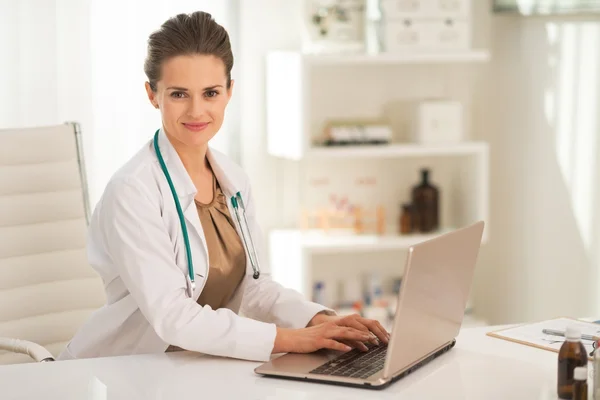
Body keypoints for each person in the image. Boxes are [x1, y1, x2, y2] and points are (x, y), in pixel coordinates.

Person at [59, 11, 389, 362]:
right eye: (179, 94)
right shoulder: (132, 191)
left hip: (198, 366)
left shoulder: (232, 180)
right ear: (153, 95)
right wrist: (295, 339)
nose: (197, 110)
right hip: (122, 371)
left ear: (229, 91)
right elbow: (173, 317)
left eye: (211, 92)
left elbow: (255, 288)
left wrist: (321, 320)